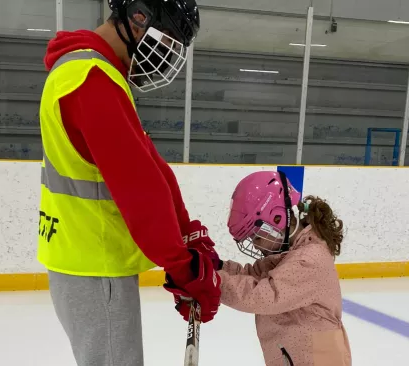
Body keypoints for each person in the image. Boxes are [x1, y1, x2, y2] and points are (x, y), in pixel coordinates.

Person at [36, 0, 221, 365]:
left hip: (93, 264)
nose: (166, 56)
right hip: (92, 264)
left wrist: (188, 235)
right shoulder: (90, 80)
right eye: (166, 40)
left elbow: (151, 167)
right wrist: (185, 269)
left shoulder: (100, 73)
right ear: (138, 17)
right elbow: (139, 191)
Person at [194, 171, 351, 365]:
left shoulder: (308, 260)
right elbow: (254, 274)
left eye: (257, 237)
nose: (256, 245)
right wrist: (217, 267)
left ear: (277, 219)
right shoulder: (289, 253)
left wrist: (212, 280)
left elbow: (261, 295)